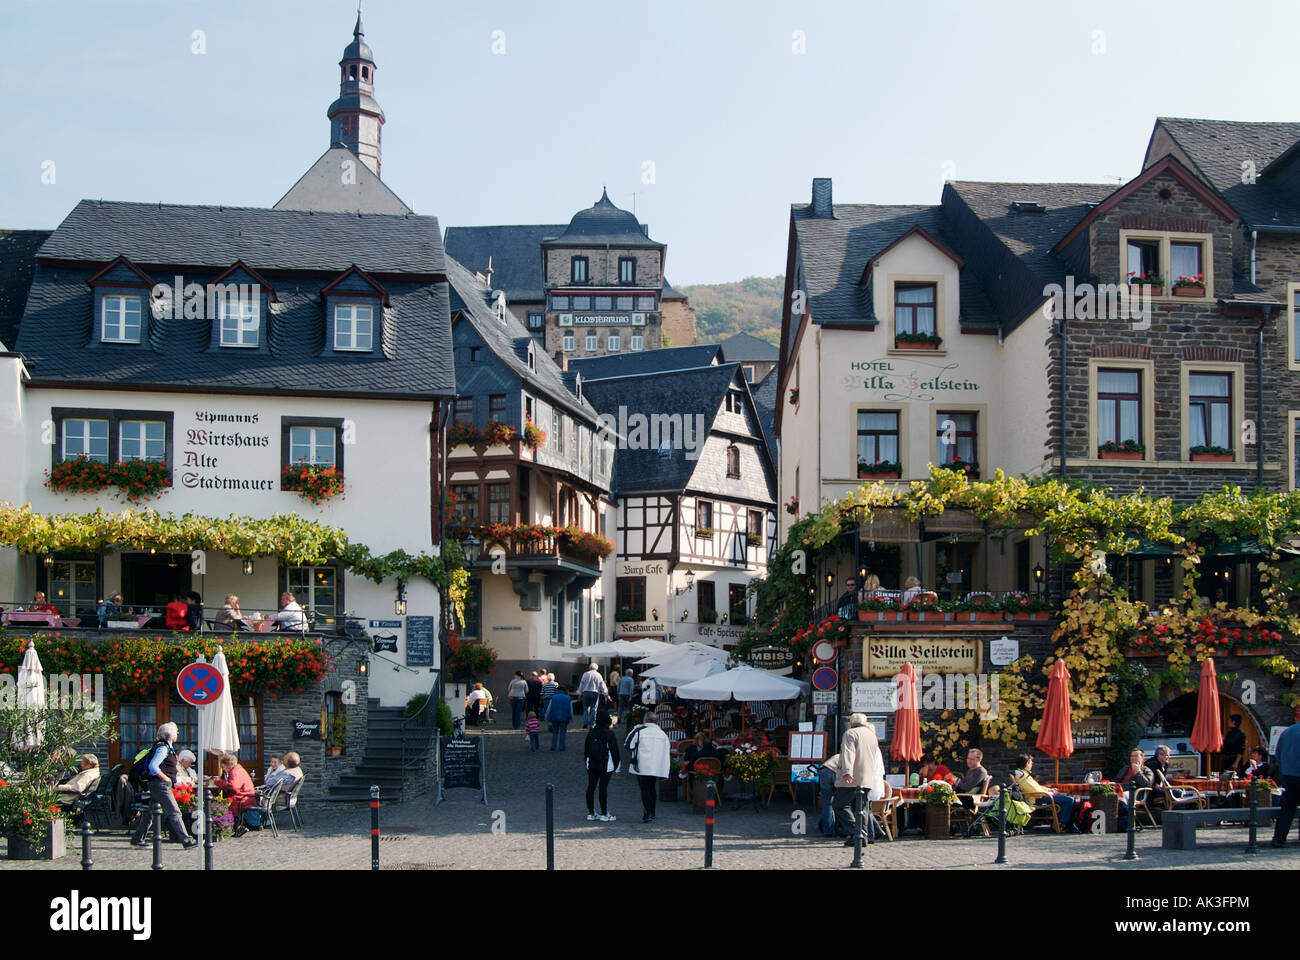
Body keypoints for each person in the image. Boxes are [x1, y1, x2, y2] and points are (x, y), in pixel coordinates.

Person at [130, 723, 198, 848]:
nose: (178, 734)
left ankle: (138, 838)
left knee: (150, 812)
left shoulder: (166, 747)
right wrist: (166, 779)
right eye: (176, 732)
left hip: (157, 784)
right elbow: (153, 766)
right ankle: (186, 841)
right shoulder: (163, 748)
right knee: (174, 812)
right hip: (160, 785)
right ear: (170, 734)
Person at [833, 714, 886, 846]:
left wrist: (847, 772)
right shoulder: (872, 736)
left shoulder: (850, 733)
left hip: (852, 778)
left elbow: (848, 753)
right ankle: (863, 837)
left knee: (839, 805)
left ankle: (857, 832)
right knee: (862, 809)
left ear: (852, 723)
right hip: (867, 778)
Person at [625, 712, 671, 822]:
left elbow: (628, 745)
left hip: (642, 765)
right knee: (651, 788)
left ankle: (648, 812)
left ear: (645, 720)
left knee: (644, 789)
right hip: (656, 765)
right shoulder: (662, 734)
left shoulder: (639, 731)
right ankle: (652, 811)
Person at [1012, 754, 1076, 831]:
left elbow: (1037, 787)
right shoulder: (1022, 776)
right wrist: (1050, 793)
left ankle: (1059, 823)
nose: (1032, 764)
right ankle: (1061, 824)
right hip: (1036, 799)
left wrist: (1049, 790)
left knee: (1066, 798)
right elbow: (1034, 791)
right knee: (1069, 800)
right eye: (1031, 762)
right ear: (1026, 763)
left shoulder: (1024, 774)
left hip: (1040, 796)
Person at [583, 709, 620, 821]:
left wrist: (586, 762)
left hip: (592, 763)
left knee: (591, 787)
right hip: (606, 764)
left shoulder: (591, 732)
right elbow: (615, 751)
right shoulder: (609, 733)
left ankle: (591, 812)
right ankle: (604, 813)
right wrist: (617, 767)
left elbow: (586, 749)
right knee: (603, 787)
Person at [1270, 721, 1300, 847]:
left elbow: (1277, 755)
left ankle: (1279, 839)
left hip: (1289, 776)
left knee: (1287, 808)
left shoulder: (1287, 732)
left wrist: (1285, 769)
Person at [212, 752, 258, 820]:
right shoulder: (239, 769)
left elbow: (234, 787)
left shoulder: (235, 772)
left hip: (243, 800)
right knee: (222, 803)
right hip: (246, 798)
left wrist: (218, 782)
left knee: (219, 806)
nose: (223, 769)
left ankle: (226, 823)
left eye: (223, 767)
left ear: (229, 765)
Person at [578, 662, 609, 728]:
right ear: (596, 668)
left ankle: (585, 722)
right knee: (594, 709)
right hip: (595, 693)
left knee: (586, 708)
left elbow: (581, 684)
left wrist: (579, 693)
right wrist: (606, 694)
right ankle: (592, 724)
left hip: (586, 693)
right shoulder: (598, 675)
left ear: (590, 667)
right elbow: (602, 685)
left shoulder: (585, 674)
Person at [818, 753, 842, 837]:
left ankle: (828, 830)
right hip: (836, 772)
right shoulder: (850, 756)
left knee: (827, 803)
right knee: (843, 802)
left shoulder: (836, 756)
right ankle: (844, 828)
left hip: (825, 771)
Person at [545, 683, 573, 751]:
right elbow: (570, 709)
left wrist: (546, 716)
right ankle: (562, 747)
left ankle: (553, 746)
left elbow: (549, 708)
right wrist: (571, 717)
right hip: (564, 717)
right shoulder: (568, 698)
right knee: (563, 732)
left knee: (555, 732)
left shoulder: (553, 697)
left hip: (554, 717)